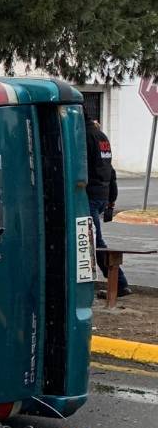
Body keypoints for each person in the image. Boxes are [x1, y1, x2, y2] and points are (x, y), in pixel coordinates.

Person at [86, 116, 130, 297]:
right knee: (92, 240)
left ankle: (119, 284)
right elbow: (110, 170)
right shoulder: (102, 137)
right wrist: (111, 199)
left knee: (93, 242)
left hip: (90, 196)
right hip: (102, 195)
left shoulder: (86, 137)